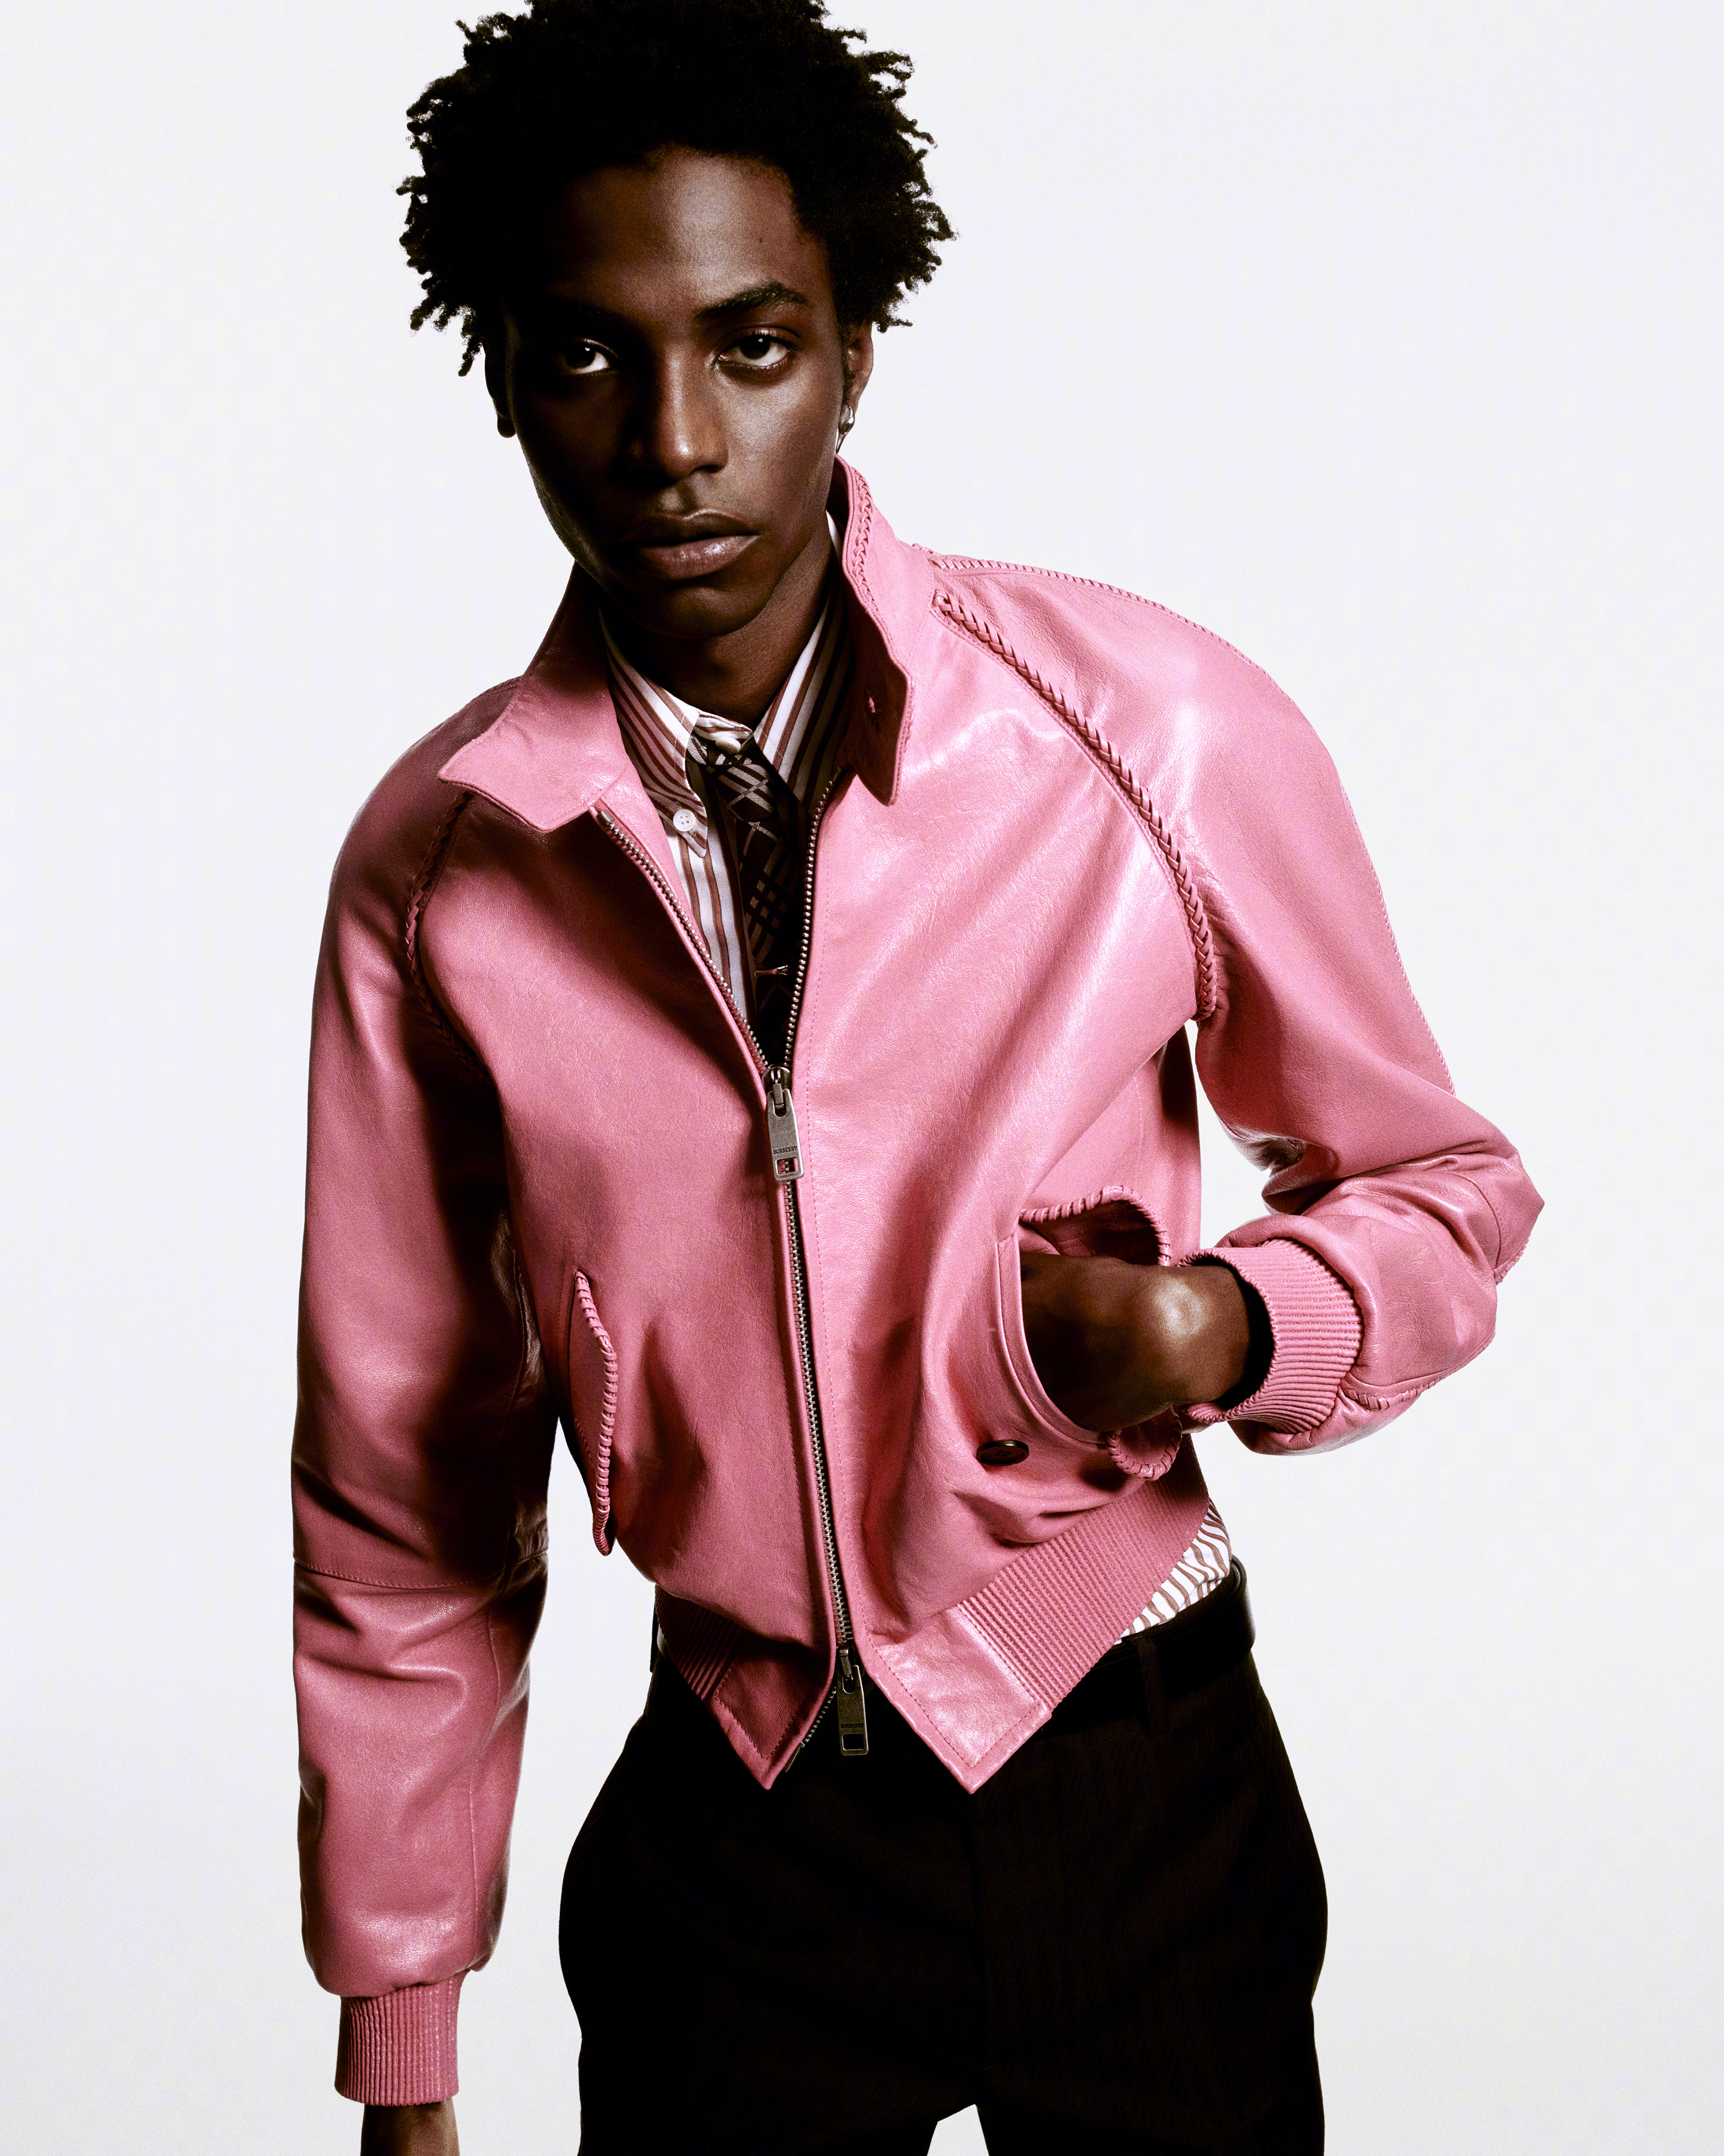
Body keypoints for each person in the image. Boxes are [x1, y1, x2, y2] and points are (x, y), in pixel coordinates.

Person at [291, 3, 1541, 2150]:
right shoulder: (442, 873)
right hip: (733, 1847)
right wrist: (402, 2030)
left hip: (1139, 1785)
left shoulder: (1145, 728)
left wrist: (1233, 1322)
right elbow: (400, 1485)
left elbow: (1442, 1190)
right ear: (498, 374)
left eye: (752, 346)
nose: (674, 441)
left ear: (855, 352)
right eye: (586, 354)